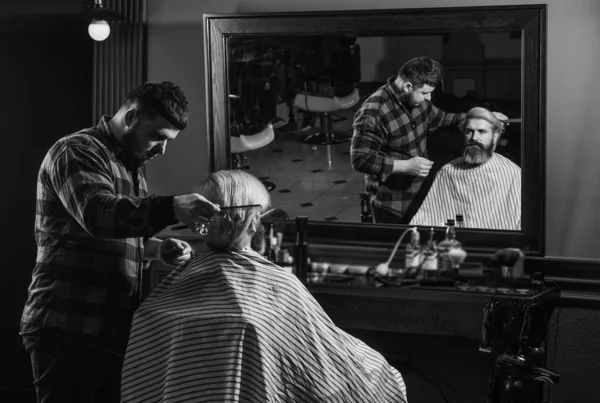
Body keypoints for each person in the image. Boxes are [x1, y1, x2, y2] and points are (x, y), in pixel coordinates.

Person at [121, 170, 407, 403]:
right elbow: (324, 369)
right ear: (254, 220)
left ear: (198, 224)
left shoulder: (173, 288)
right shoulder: (281, 284)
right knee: (377, 370)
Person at [20, 81, 221, 403]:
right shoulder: (77, 150)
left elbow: (107, 234)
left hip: (108, 329)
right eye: (158, 137)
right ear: (131, 117)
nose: (162, 150)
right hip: (69, 326)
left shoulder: (131, 165)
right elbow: (98, 215)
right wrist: (171, 207)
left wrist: (155, 248)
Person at [350, 56, 507, 224]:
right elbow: (361, 159)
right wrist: (405, 166)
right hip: (392, 204)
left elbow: (444, 118)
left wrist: (482, 118)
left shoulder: (420, 102)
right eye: (425, 93)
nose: (429, 99)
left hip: (422, 193)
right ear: (408, 86)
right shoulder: (374, 112)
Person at [410, 107, 521, 230]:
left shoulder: (512, 173)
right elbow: (425, 221)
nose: (474, 138)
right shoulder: (448, 172)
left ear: (495, 136)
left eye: (482, 131)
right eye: (469, 131)